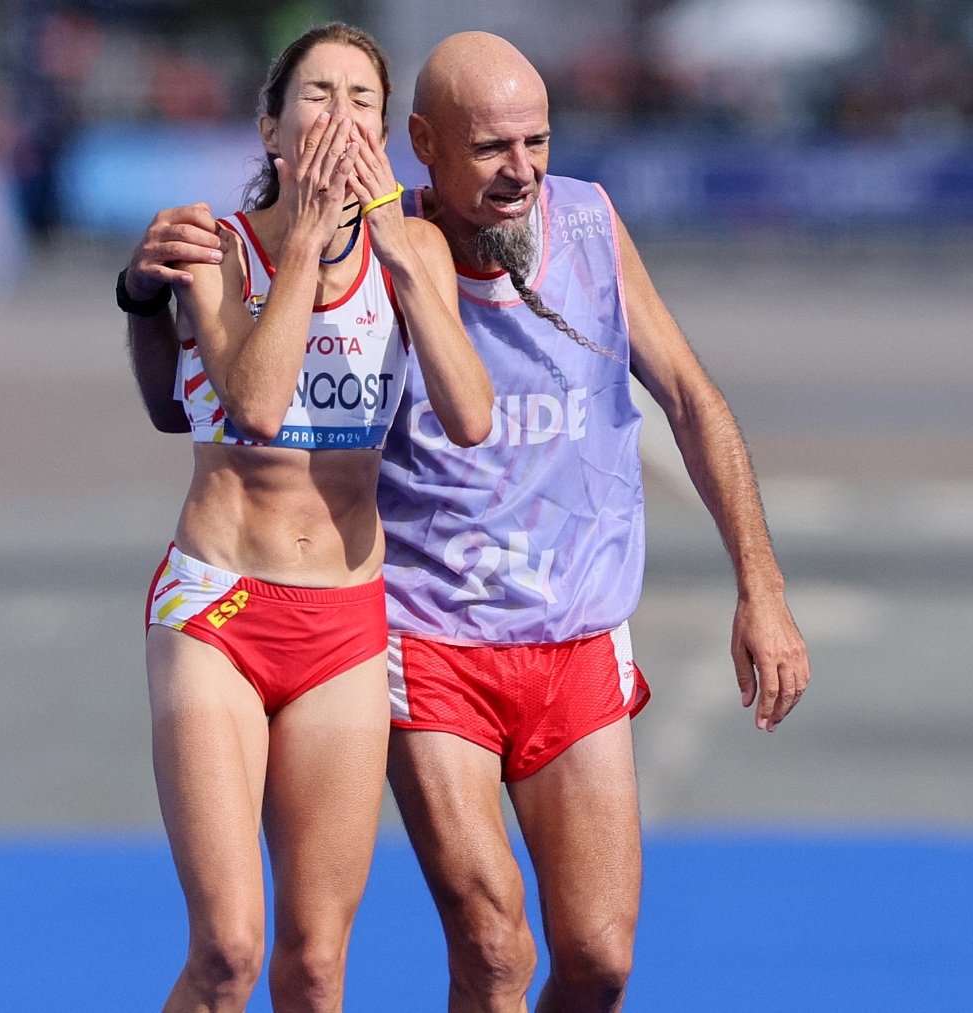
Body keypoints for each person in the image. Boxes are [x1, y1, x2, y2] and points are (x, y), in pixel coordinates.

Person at [120, 31, 809, 1012]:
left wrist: (764, 587)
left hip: (523, 629)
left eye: (537, 142)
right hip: (395, 629)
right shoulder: (292, 240)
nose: (521, 171)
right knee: (441, 946)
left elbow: (656, 403)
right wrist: (148, 298)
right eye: (492, 148)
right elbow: (215, 402)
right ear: (424, 145)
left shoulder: (550, 230)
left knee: (590, 959)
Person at [131, 23, 492, 1013]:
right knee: (229, 952)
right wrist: (308, 238)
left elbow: (470, 415)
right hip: (219, 603)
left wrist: (397, 255)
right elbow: (251, 399)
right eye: (318, 96)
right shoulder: (217, 247)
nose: (340, 117)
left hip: (342, 618)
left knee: (316, 961)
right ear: (272, 126)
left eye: (361, 100)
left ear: (390, 131)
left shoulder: (412, 244)